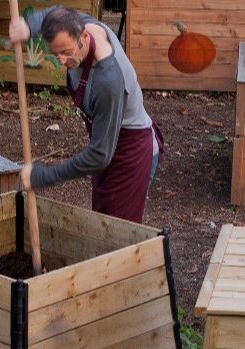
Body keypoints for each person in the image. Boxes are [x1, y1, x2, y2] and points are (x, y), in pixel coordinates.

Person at [9, 6, 163, 224]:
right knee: (102, 224)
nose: (61, 61)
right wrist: (28, 25)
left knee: (117, 238)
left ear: (83, 36)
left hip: (130, 152)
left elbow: (99, 156)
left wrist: (42, 176)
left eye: (66, 52)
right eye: (55, 54)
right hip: (106, 142)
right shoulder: (78, 24)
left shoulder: (107, 80)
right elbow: (57, 12)